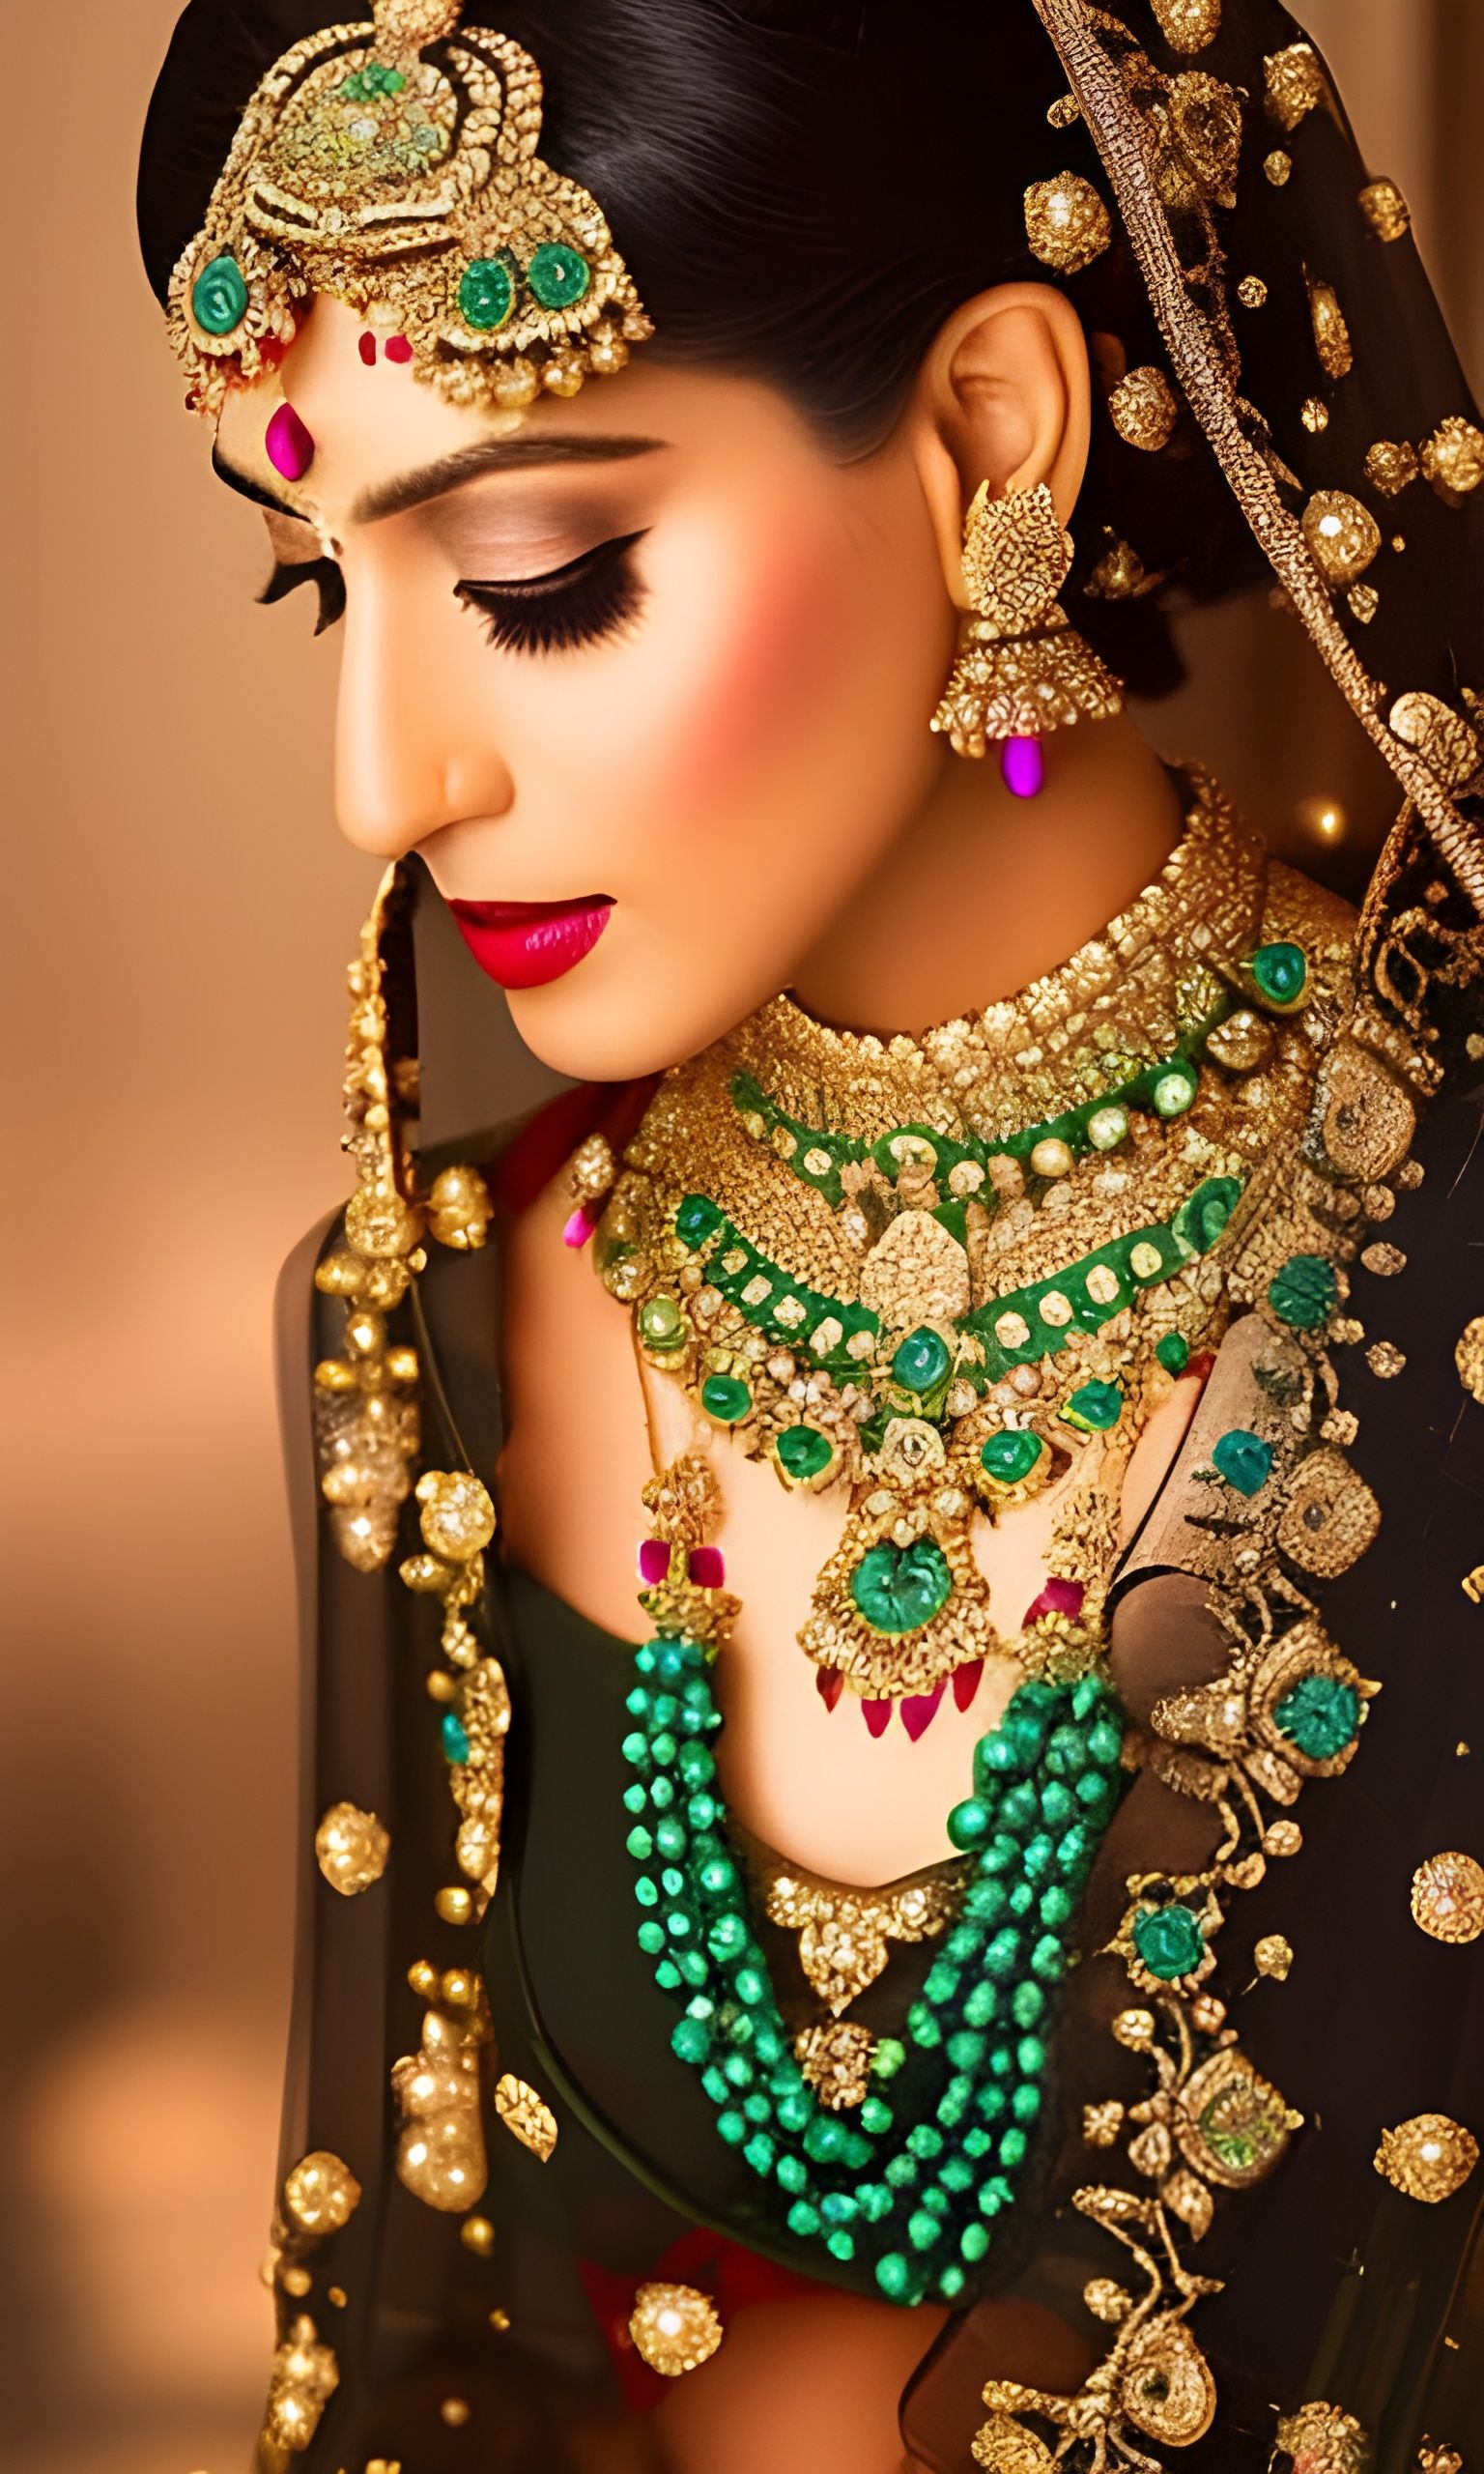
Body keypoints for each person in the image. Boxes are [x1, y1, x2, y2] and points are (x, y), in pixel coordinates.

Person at [136, 2, 1484, 2466]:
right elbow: (433, 2364)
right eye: (323, 588)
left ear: (990, 433)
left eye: (539, 571)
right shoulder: (425, 1324)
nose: (386, 781)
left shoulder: (1444, 1256)